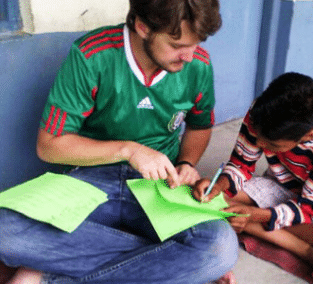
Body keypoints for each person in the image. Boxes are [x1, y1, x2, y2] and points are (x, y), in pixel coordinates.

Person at [0, 1, 239, 283]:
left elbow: (200, 126)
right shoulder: (91, 55)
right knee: (5, 229)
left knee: (220, 246)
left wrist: (187, 162)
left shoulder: (198, 64)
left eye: (196, 44)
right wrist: (129, 150)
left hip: (160, 186)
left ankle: (48, 275)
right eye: (177, 45)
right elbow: (49, 145)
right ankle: (167, 260)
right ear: (142, 27)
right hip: (91, 179)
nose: (188, 56)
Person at [193, 72, 313, 284]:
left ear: (308, 134)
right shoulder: (260, 115)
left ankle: (265, 224)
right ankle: (311, 251)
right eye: (258, 139)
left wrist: (257, 215)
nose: (262, 146)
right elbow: (241, 164)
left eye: (273, 146)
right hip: (279, 185)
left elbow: (308, 209)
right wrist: (220, 185)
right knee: (211, 201)